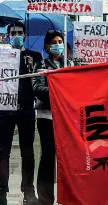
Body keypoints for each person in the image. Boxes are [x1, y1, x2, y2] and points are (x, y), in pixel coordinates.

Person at [0, 22, 42, 205]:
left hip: (26, 110)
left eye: (20, 32)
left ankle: (28, 192)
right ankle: (0, 193)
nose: (17, 35)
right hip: (3, 110)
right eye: (13, 33)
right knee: (3, 153)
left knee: (28, 154)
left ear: (25, 36)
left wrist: (31, 68)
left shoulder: (35, 56)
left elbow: (39, 83)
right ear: (7, 36)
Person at [32, 30, 73, 205]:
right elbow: (37, 88)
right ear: (47, 46)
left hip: (67, 118)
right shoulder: (40, 64)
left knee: (68, 159)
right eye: (54, 42)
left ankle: (69, 197)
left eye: (60, 41)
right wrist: (59, 91)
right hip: (46, 117)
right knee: (48, 157)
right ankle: (45, 199)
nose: (58, 44)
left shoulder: (70, 64)